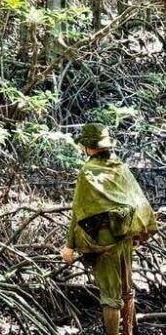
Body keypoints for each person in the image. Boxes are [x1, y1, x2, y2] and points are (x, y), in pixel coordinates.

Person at [61, 123, 157, 335]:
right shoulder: (120, 167)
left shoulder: (87, 172)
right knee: (127, 291)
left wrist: (69, 246)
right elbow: (138, 202)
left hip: (103, 241)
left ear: (88, 147)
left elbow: (79, 212)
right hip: (124, 237)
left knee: (110, 298)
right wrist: (140, 232)